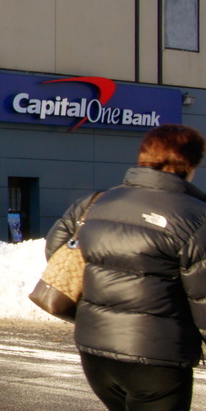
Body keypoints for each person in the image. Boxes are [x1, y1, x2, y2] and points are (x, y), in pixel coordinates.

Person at [44, 124, 206, 411]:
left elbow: (56, 252)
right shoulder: (196, 217)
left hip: (96, 352)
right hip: (158, 358)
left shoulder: (94, 203)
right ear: (191, 163)